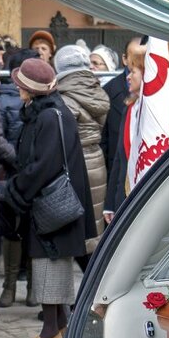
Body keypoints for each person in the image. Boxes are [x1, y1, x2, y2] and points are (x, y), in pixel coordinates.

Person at [1, 58, 96, 338]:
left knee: (50, 267)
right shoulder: (44, 111)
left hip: (50, 205)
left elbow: (43, 165)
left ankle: (50, 332)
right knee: (48, 265)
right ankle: (60, 326)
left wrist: (15, 190)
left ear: (31, 89)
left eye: (20, 84)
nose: (16, 88)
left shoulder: (49, 116)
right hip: (49, 204)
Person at [54, 44, 109, 252]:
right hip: (96, 158)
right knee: (94, 223)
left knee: (76, 226)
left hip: (74, 162)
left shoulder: (63, 98)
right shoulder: (98, 91)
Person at [0, 49, 34, 309]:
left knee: (33, 231)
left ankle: (32, 286)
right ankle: (9, 284)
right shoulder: (3, 101)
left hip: (34, 175)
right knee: (12, 232)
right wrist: (19, 160)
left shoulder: (40, 101)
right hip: (12, 174)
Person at [104, 42, 145, 221]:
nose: (128, 77)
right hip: (123, 195)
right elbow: (119, 159)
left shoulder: (155, 114)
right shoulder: (130, 108)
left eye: (134, 72)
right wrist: (109, 204)